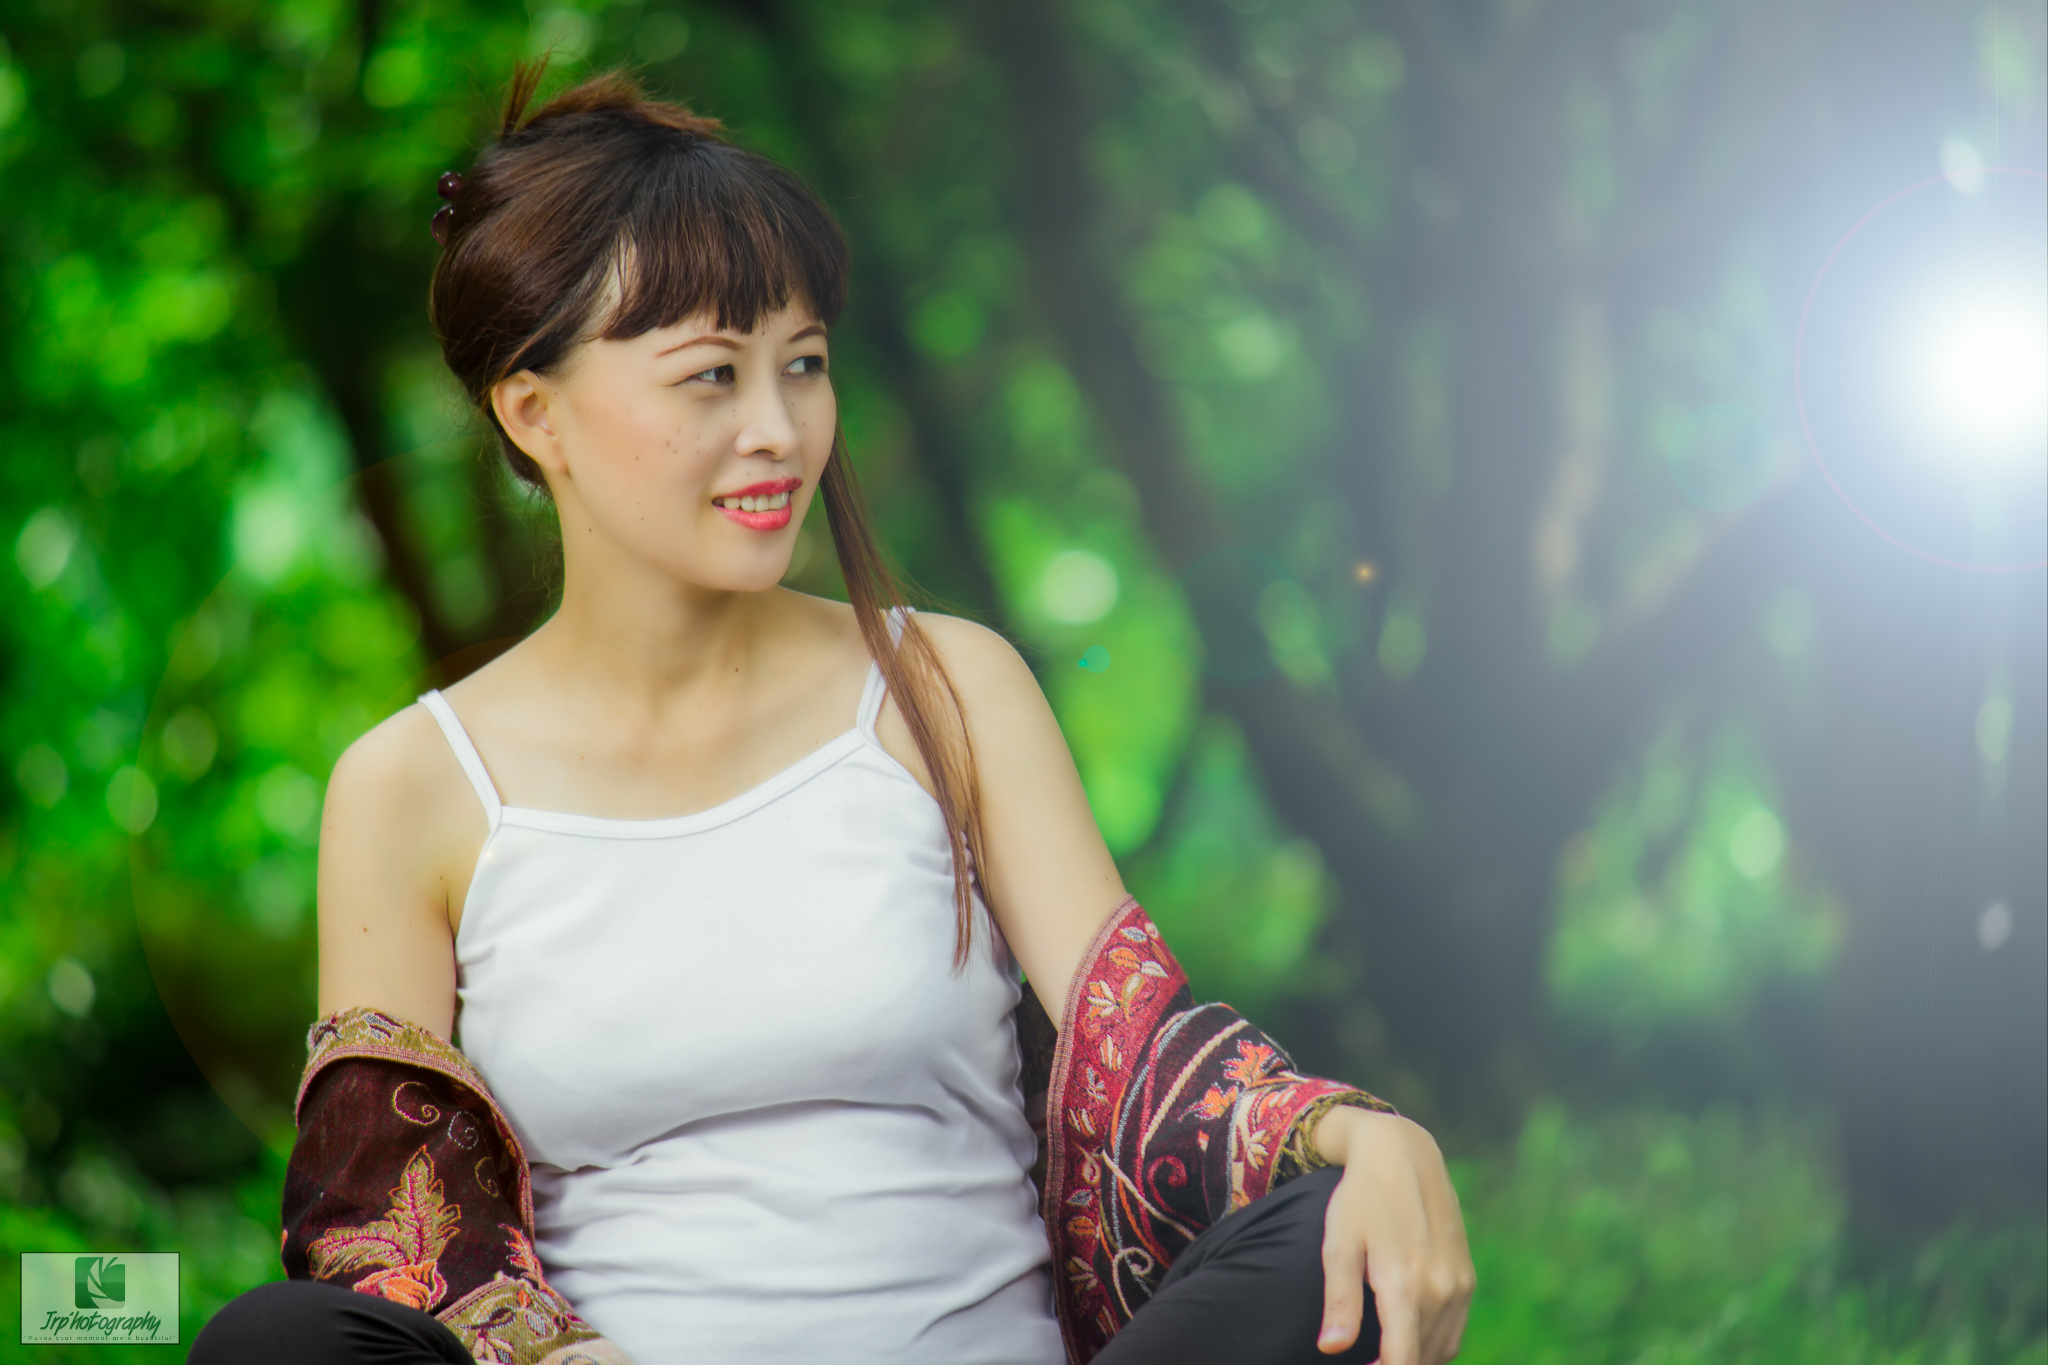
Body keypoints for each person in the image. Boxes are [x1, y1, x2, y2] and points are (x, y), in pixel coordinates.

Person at [191, 66, 1473, 1365]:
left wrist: (1350, 1129)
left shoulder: (949, 688)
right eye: (710, 377)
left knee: (1335, 1236)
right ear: (535, 413)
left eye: (801, 364)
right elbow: (387, 1223)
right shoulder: (414, 782)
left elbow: (1134, 1047)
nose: (778, 429)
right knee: (277, 1343)